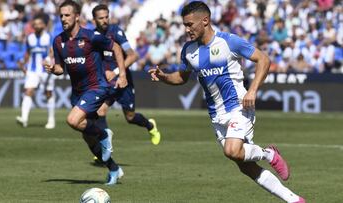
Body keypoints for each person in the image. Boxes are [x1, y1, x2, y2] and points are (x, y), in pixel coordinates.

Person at [149, 2, 305, 203]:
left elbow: (263, 60)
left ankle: (268, 154)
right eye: (185, 25)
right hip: (216, 116)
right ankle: (294, 200)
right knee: (245, 165)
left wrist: (253, 90)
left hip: (239, 107)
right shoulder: (188, 50)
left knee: (232, 150)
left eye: (190, 25)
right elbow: (181, 77)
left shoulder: (228, 42)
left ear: (205, 20)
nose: (187, 30)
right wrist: (164, 77)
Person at [44, 0, 127, 185]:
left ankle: (104, 134)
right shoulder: (58, 41)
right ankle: (114, 169)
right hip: (78, 92)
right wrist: (53, 69)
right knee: (88, 138)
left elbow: (116, 47)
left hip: (96, 86)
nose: (63, 18)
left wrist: (122, 74)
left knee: (72, 120)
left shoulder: (91, 36)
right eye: (61, 15)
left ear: (76, 17)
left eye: (67, 15)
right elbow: (60, 68)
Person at [90, 4, 161, 146]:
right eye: (101, 18)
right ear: (94, 20)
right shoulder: (93, 36)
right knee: (101, 110)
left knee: (130, 117)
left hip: (123, 81)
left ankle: (150, 126)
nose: (105, 20)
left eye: (106, 17)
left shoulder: (116, 32)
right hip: (106, 83)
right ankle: (105, 147)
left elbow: (132, 56)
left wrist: (116, 72)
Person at [16, 14, 55, 129]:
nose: (37, 26)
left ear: (44, 25)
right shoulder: (30, 38)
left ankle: (51, 119)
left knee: (48, 93)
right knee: (28, 91)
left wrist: (48, 59)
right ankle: (24, 118)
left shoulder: (49, 37)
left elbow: (52, 51)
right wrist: (23, 63)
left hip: (46, 70)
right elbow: (28, 52)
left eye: (39, 23)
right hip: (32, 70)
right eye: (35, 24)